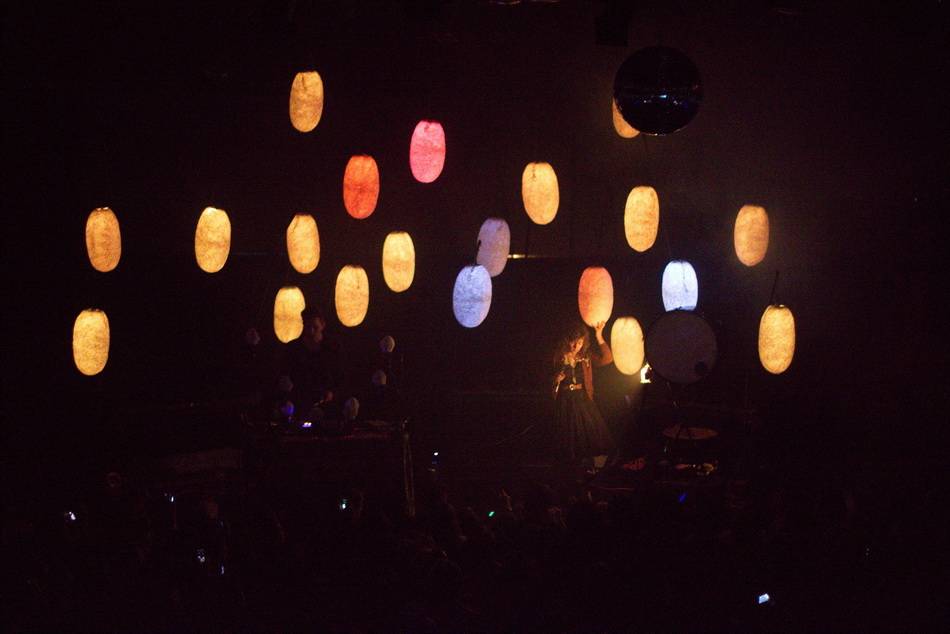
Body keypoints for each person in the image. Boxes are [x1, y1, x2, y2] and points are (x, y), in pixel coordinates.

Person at [550, 321, 614, 473]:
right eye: (573, 342)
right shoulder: (558, 357)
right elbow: (546, 378)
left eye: (579, 343)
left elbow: (607, 358)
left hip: (583, 399)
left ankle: (591, 469)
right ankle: (571, 471)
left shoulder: (586, 357)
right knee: (570, 437)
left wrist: (599, 336)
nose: (575, 346)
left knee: (590, 433)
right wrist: (555, 380)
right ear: (567, 340)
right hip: (565, 401)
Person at [276, 307, 345, 420]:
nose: (311, 331)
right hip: (298, 400)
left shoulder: (334, 348)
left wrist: (333, 392)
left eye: (315, 327)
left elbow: (341, 375)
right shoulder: (293, 349)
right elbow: (283, 374)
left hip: (326, 402)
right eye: (307, 327)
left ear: (322, 325)